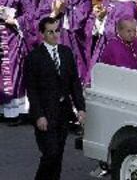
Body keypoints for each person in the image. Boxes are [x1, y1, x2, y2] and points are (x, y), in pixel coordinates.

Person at [24, 16, 86, 180]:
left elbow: (74, 83)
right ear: (42, 34)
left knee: (58, 154)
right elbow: (32, 90)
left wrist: (80, 108)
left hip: (63, 112)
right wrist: (39, 115)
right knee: (50, 153)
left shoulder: (66, 53)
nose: (55, 35)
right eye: (50, 32)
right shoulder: (34, 58)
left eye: (57, 31)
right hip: (45, 113)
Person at [37, 0, 92, 85]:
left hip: (73, 40)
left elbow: (84, 15)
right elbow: (39, 17)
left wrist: (66, 10)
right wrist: (54, 12)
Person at [0, 0, 37, 125]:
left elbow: (32, 14)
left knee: (13, 73)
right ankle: (3, 110)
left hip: (13, 38)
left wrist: (14, 20)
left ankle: (17, 112)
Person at [89, 0, 137, 84]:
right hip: (101, 45)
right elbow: (96, 27)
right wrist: (98, 18)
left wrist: (103, 19)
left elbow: (124, 33)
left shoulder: (128, 6)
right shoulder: (107, 0)